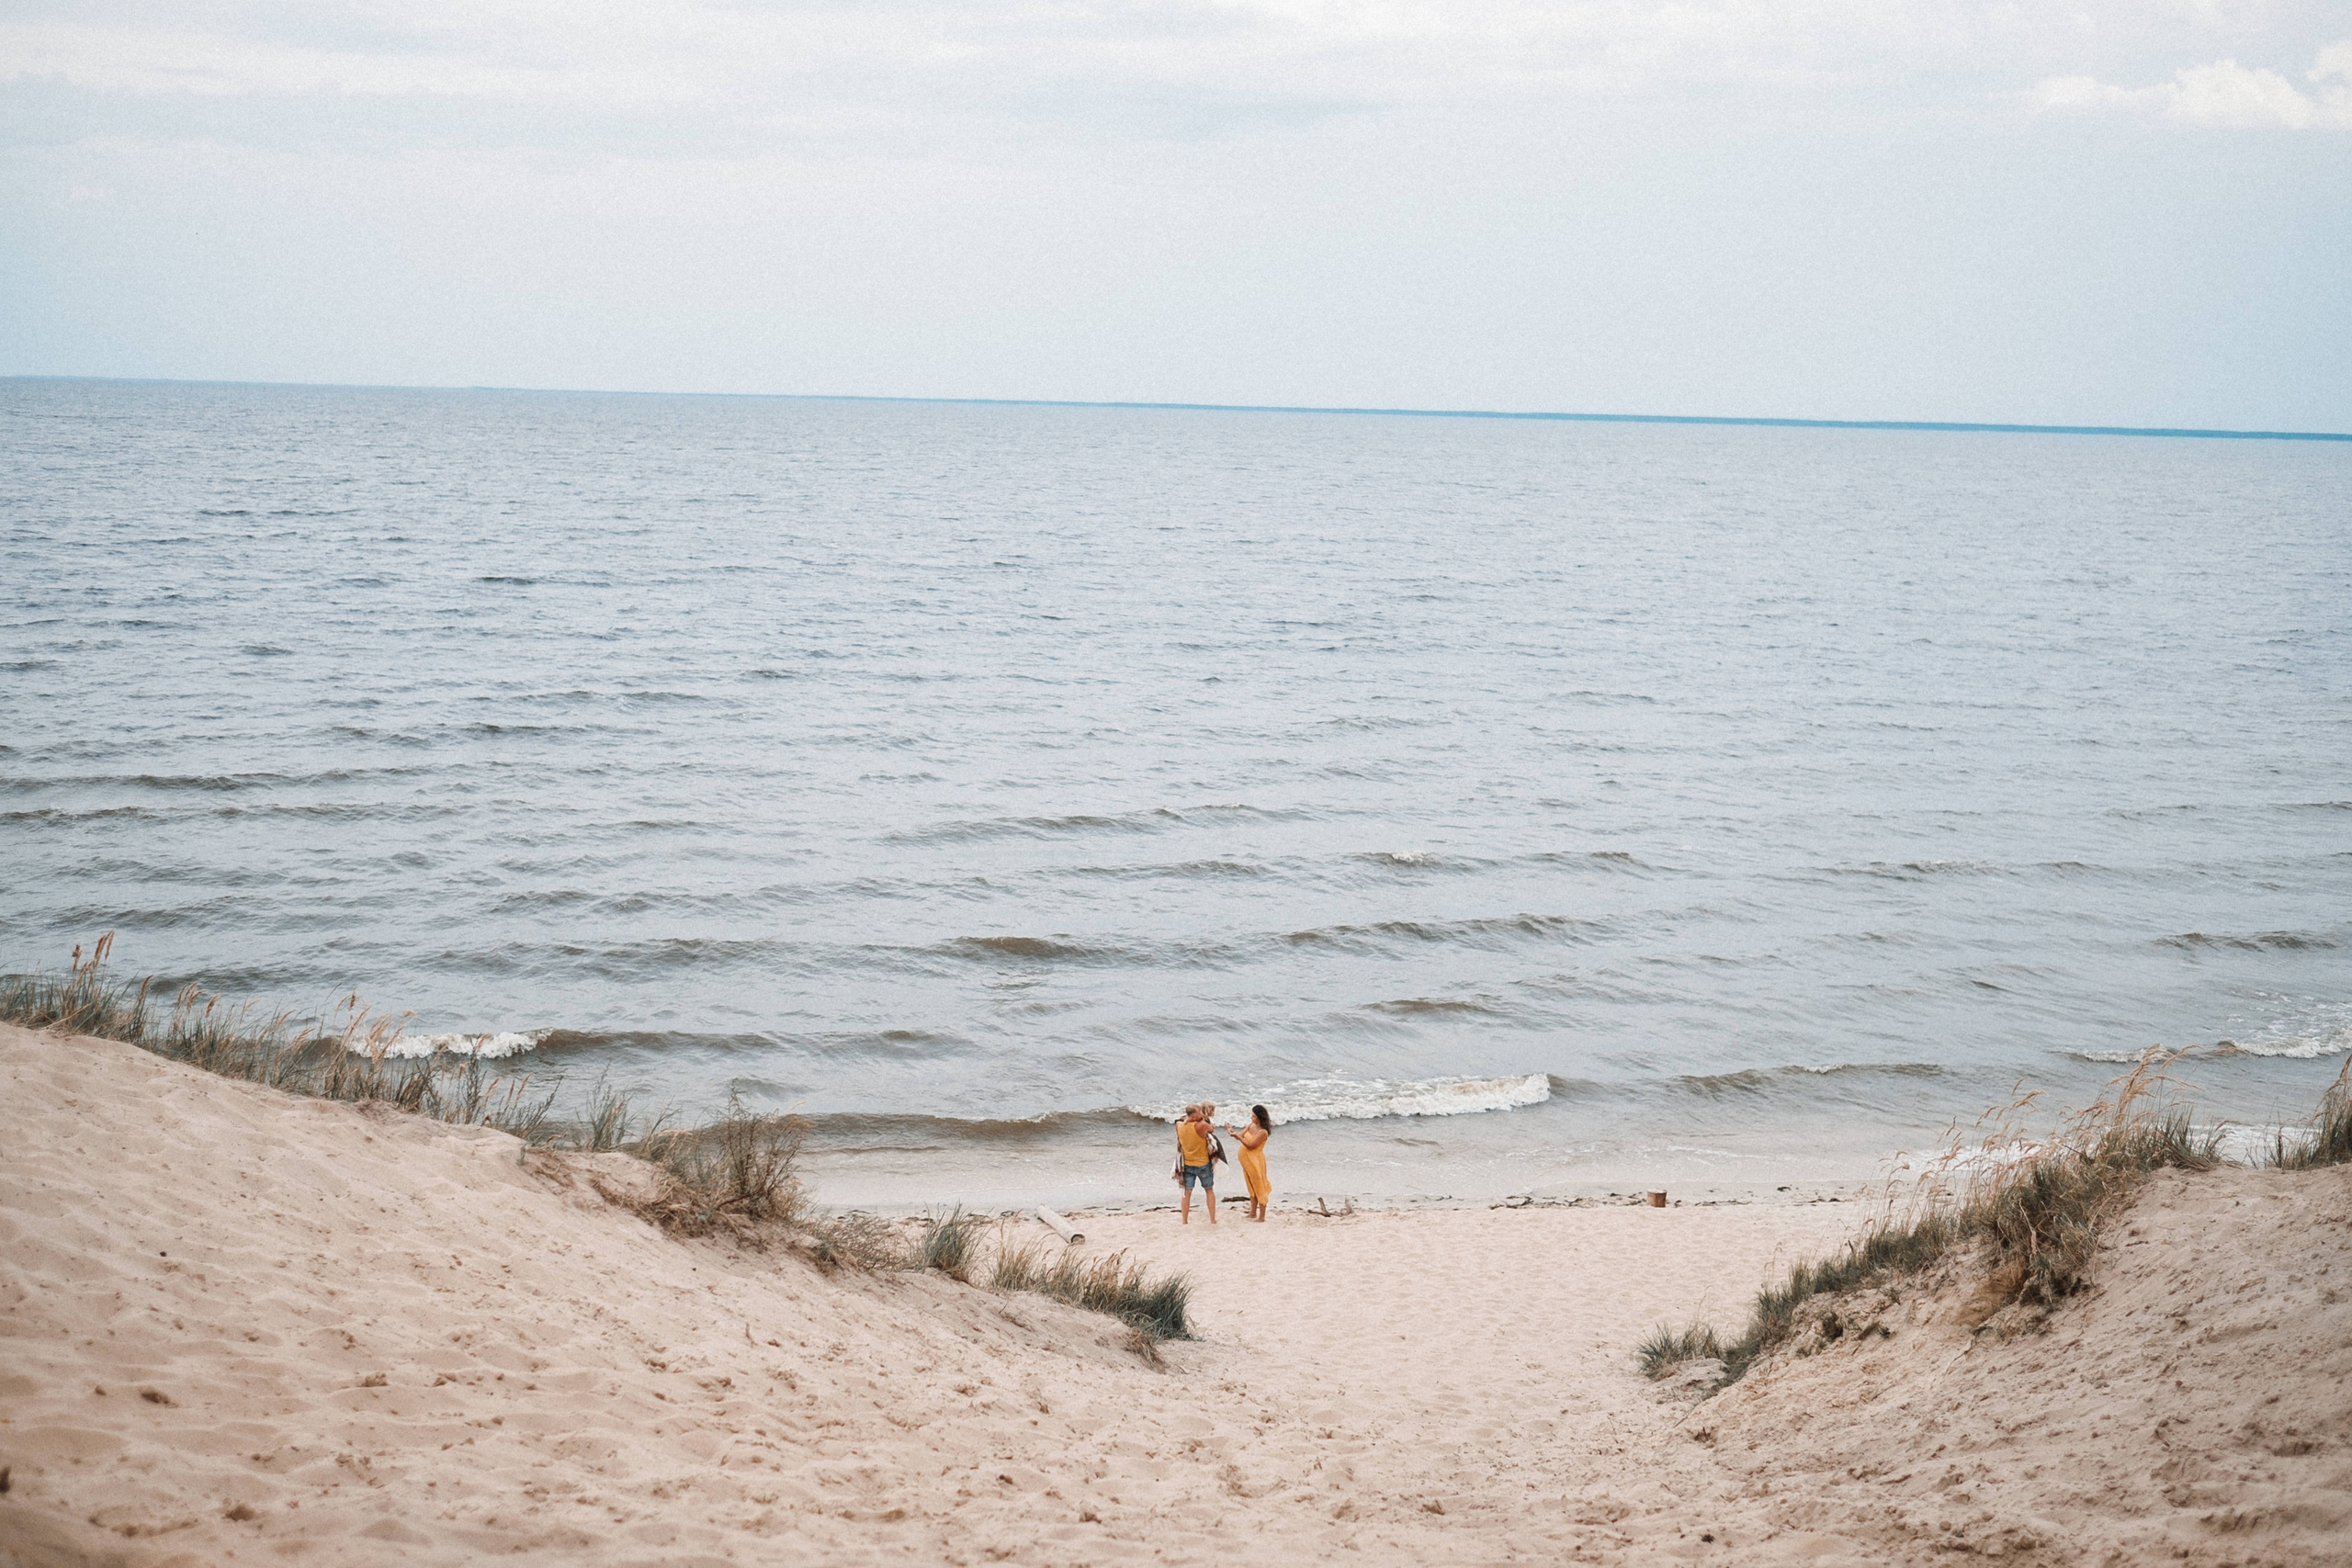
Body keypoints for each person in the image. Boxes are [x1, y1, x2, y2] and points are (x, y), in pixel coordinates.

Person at [1226, 1104, 1272, 1222]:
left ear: (1260, 1117)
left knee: (1259, 1187)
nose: (1251, 1118)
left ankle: (1262, 1216)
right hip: (1247, 1162)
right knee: (1251, 1186)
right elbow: (1240, 1136)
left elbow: (1250, 1145)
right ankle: (1252, 1213)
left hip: (1255, 1161)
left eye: (1253, 1116)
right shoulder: (1251, 1125)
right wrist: (1230, 1130)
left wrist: (1238, 1137)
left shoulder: (1263, 1132)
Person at [1173, 1103, 1217, 1224]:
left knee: (1186, 1193)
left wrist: (1188, 1119)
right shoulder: (1202, 1125)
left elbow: (1180, 1119)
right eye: (1199, 1112)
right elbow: (1212, 1129)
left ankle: (1184, 1221)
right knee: (1209, 1190)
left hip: (1187, 1164)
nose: (1202, 1114)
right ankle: (1212, 1219)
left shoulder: (1179, 1125)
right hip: (1203, 1164)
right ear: (1193, 1117)